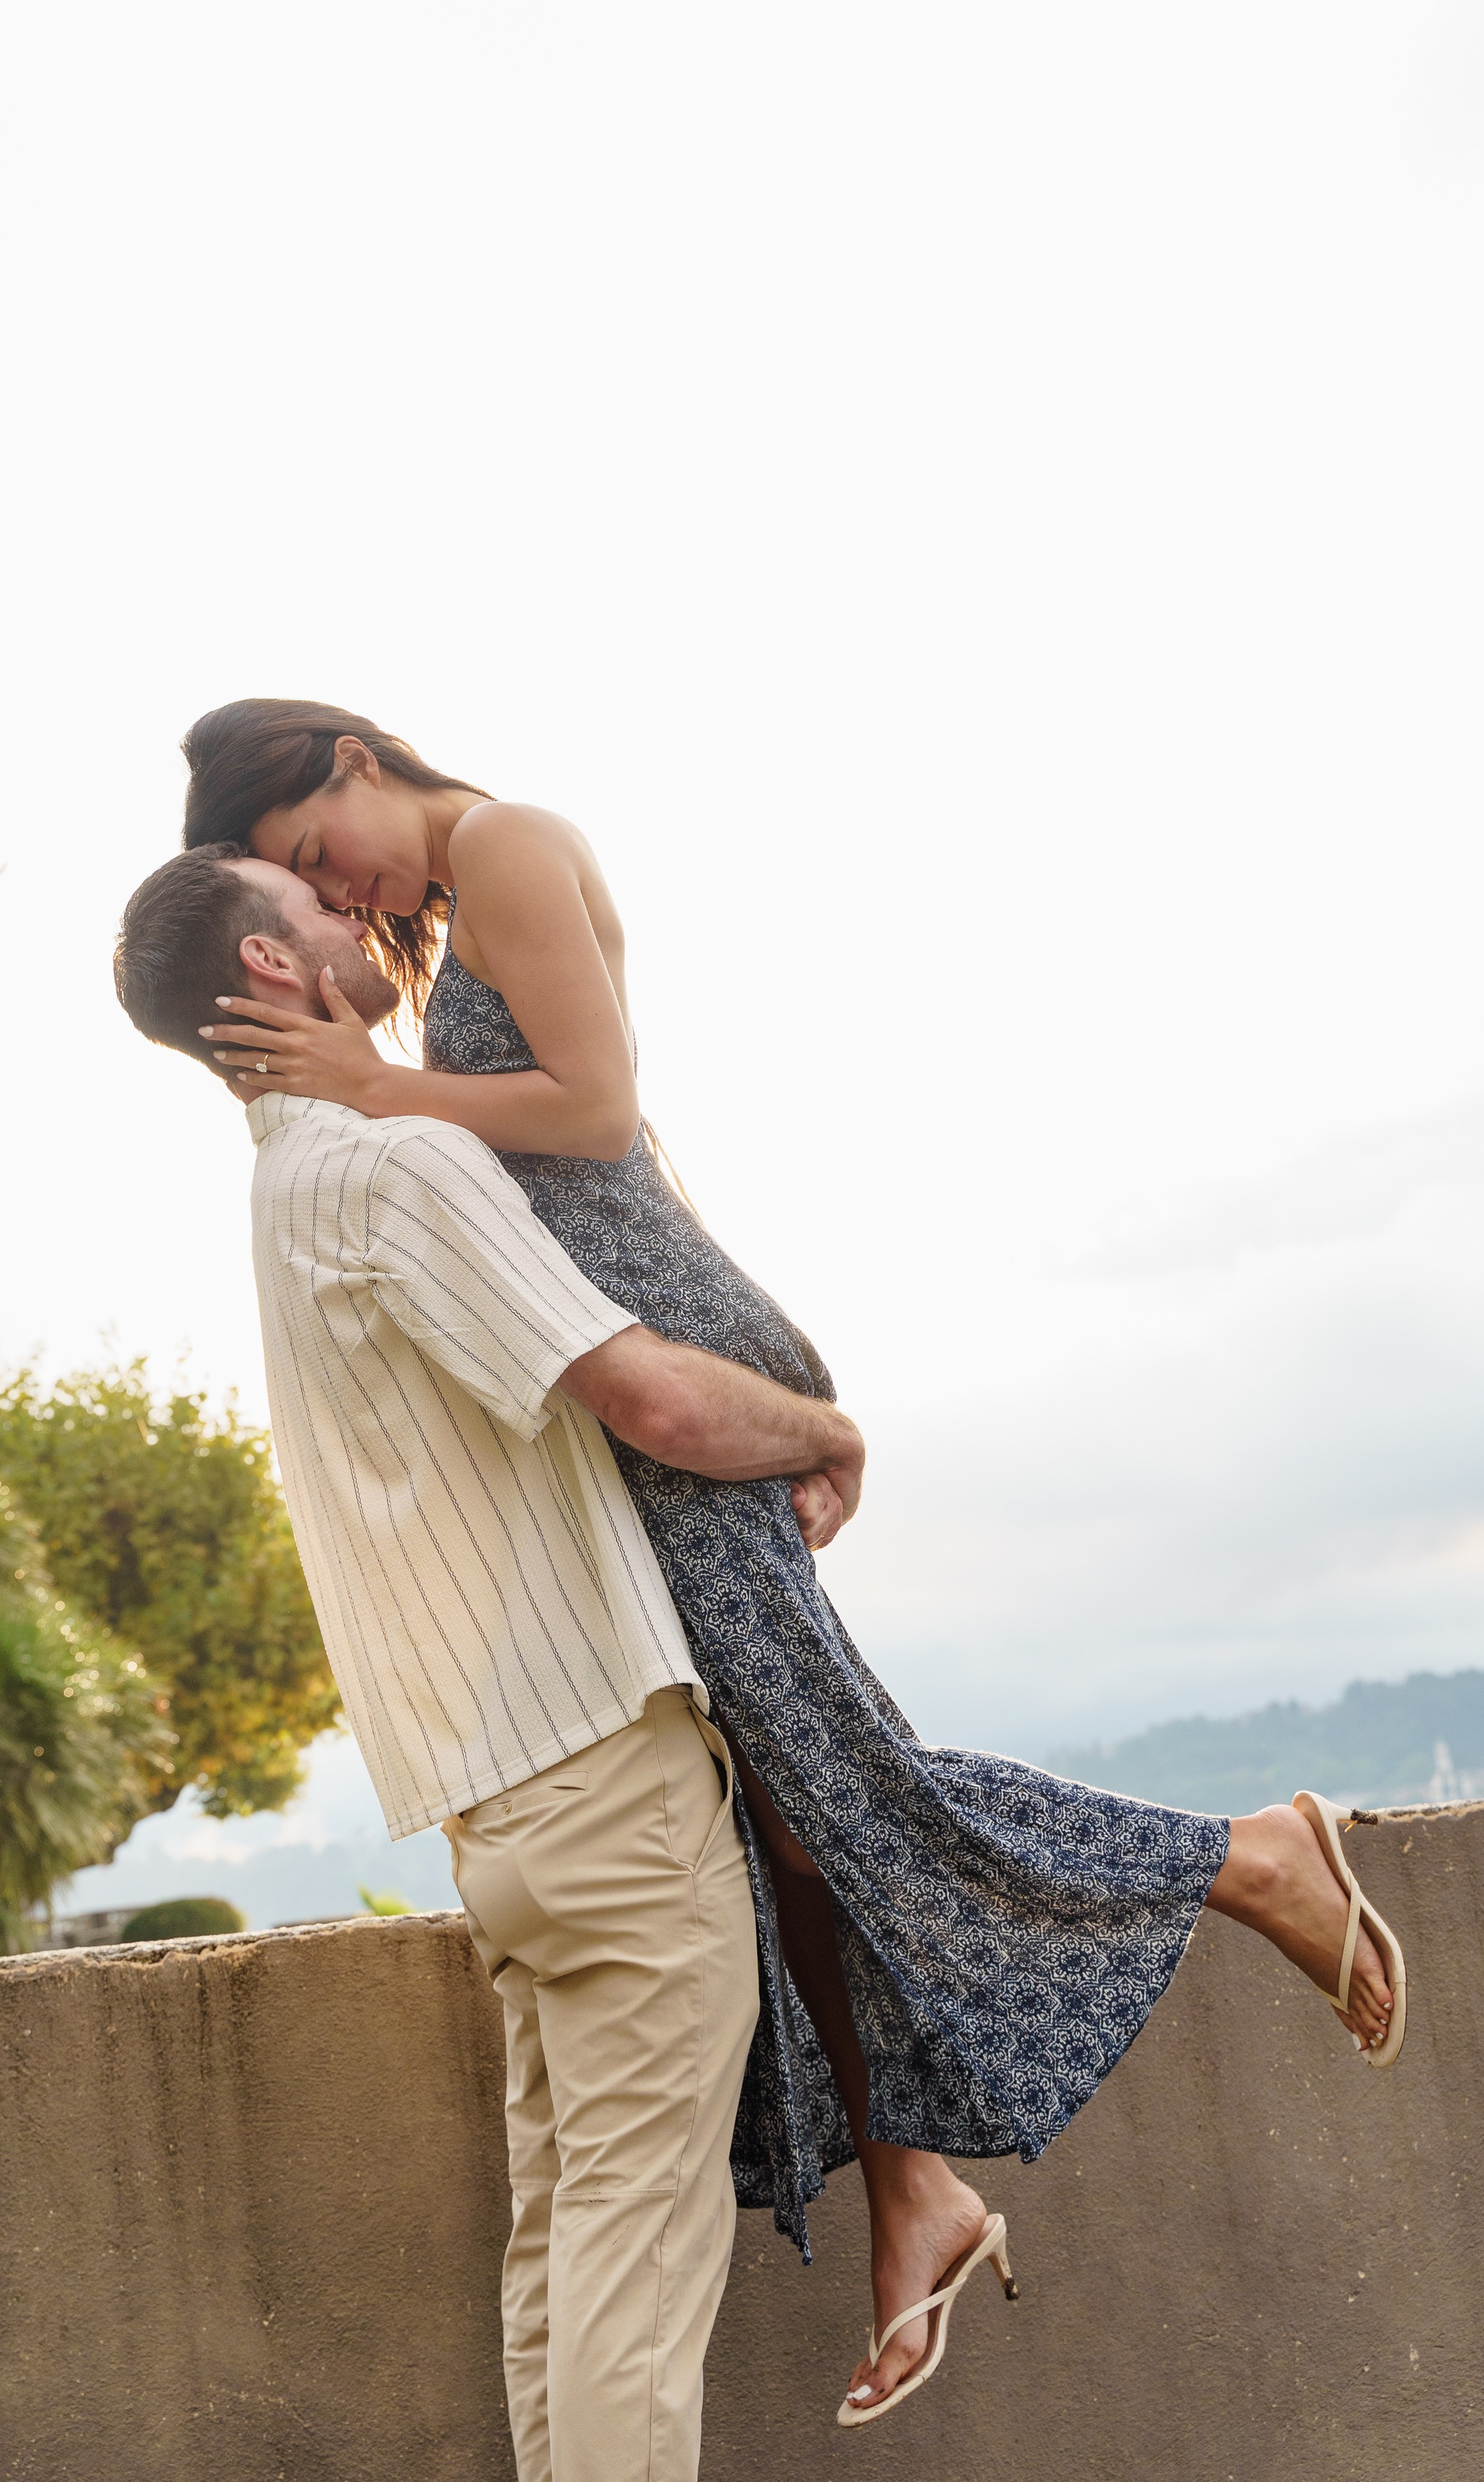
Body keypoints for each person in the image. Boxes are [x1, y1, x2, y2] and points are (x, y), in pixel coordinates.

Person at [171, 699, 1408, 2428]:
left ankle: (1246, 1854)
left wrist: (376, 1084)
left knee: (832, 1774)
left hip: (667, 1361)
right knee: (781, 1809)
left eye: (322, 853)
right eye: (310, 889)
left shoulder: (506, 839)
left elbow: (596, 1112)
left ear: (349, 756)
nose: (349, 893)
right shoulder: (440, 917)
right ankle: (912, 2188)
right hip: (625, 1386)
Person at [113, 846, 867, 2482]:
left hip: (497, 1804)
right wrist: (823, 1427)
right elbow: (651, 1397)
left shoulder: (286, 1193)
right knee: (634, 2260)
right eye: (319, 908)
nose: (361, 921)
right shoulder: (395, 1162)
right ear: (271, 967)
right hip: (598, 1776)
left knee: (569, 2246)